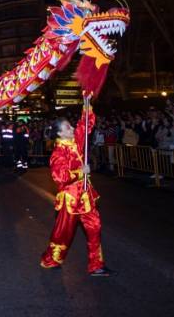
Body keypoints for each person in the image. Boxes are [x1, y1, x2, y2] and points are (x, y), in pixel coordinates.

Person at [40, 102, 112, 277]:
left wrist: (87, 103)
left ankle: (96, 265)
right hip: (70, 198)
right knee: (63, 233)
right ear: (59, 133)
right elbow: (60, 178)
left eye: (70, 126)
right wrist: (81, 172)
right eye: (67, 127)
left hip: (85, 195)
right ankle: (51, 259)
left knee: (95, 226)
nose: (72, 128)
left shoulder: (76, 142)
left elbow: (84, 125)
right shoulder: (58, 153)